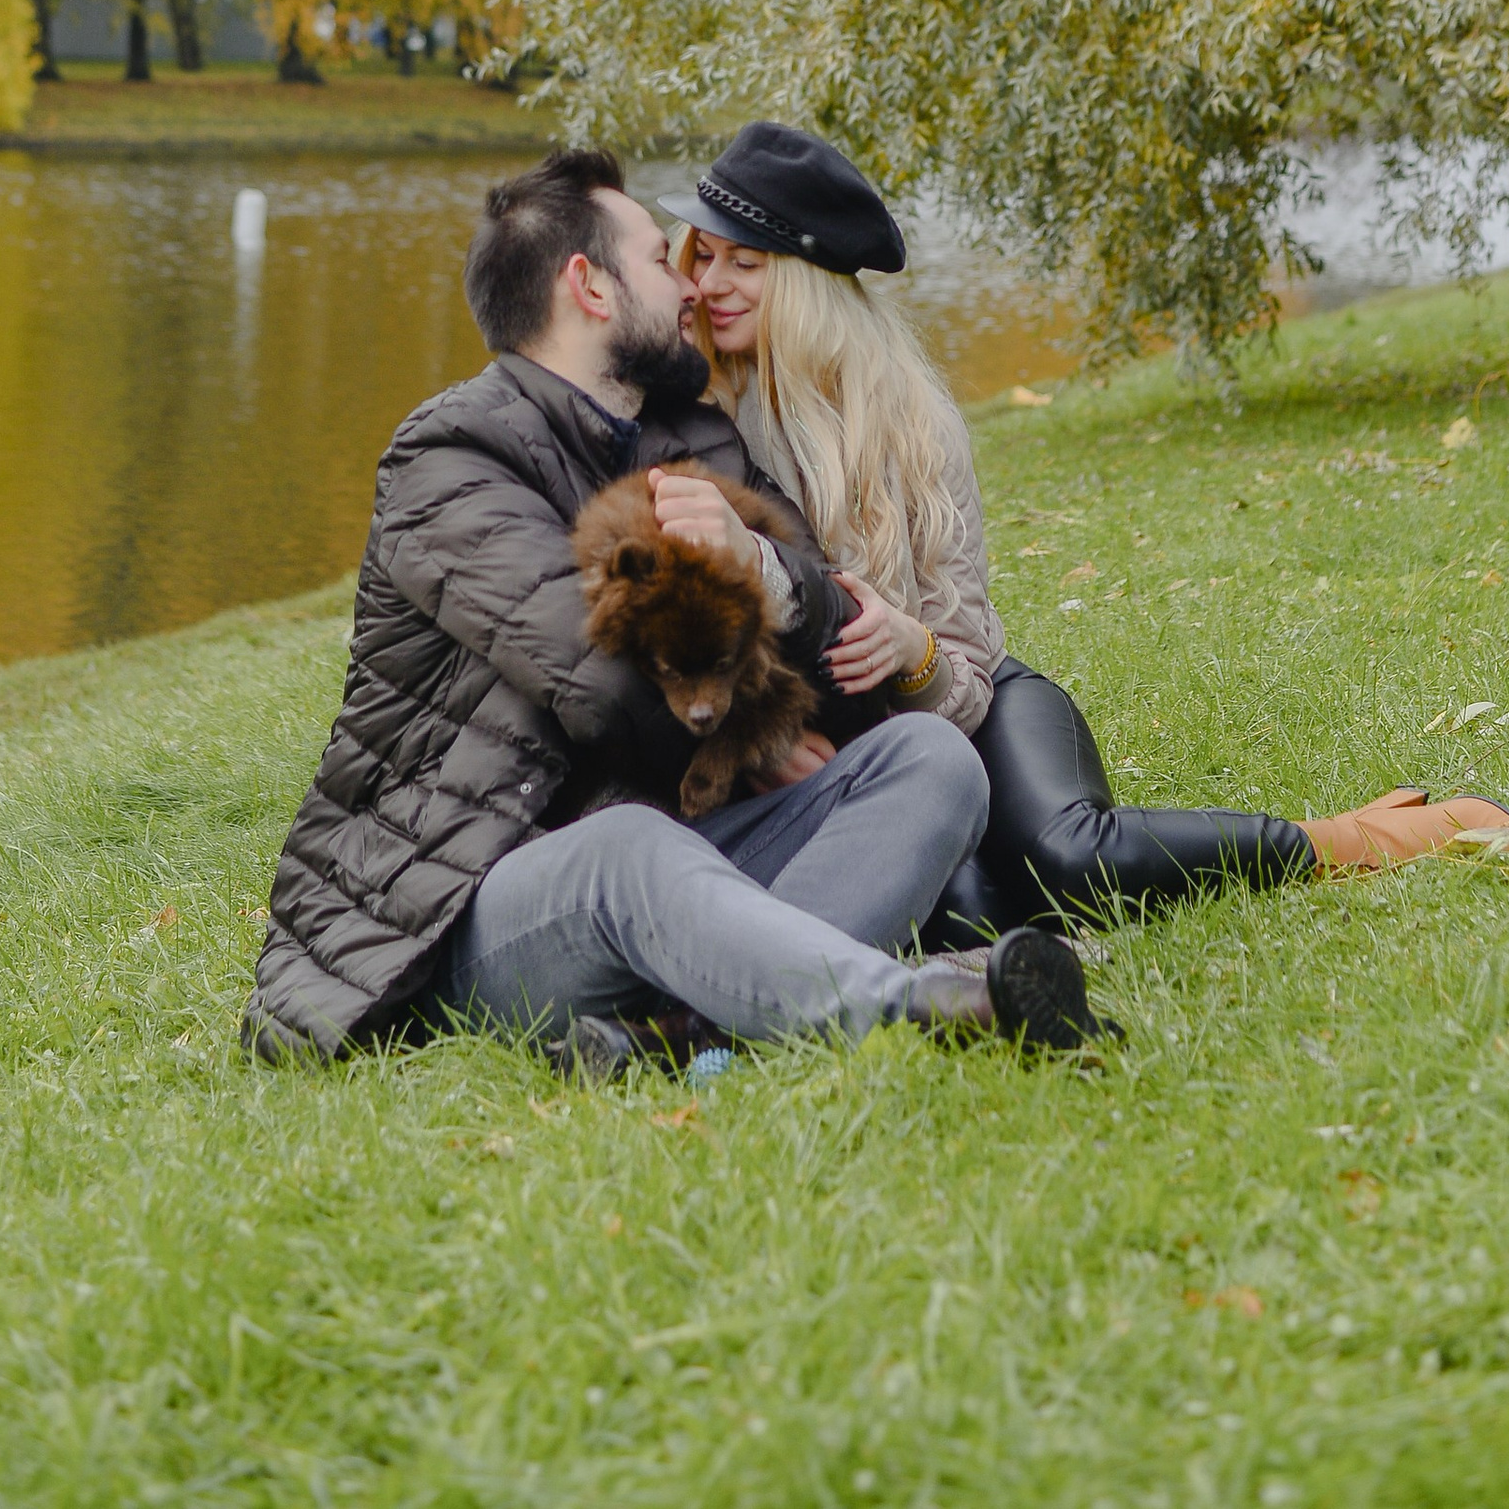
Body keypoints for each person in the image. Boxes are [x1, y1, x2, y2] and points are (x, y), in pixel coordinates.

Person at [243, 146, 1106, 1070]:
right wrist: (759, 735)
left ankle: (692, 1036)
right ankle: (931, 1001)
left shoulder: (693, 434)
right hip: (468, 902)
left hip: (683, 854)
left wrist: (765, 568)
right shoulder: (451, 458)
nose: (691, 287)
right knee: (628, 846)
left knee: (929, 759)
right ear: (591, 285)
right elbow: (603, 685)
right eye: (664, 259)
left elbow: (828, 664)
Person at [673, 121, 1509, 934]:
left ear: (809, 286)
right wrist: (763, 740)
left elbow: (964, 665)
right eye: (702, 254)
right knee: (958, 908)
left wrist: (910, 648)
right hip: (850, 757)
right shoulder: (690, 410)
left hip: (972, 699)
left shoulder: (906, 421)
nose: (709, 283)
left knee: (1070, 857)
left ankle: (1368, 838)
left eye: (745, 262)